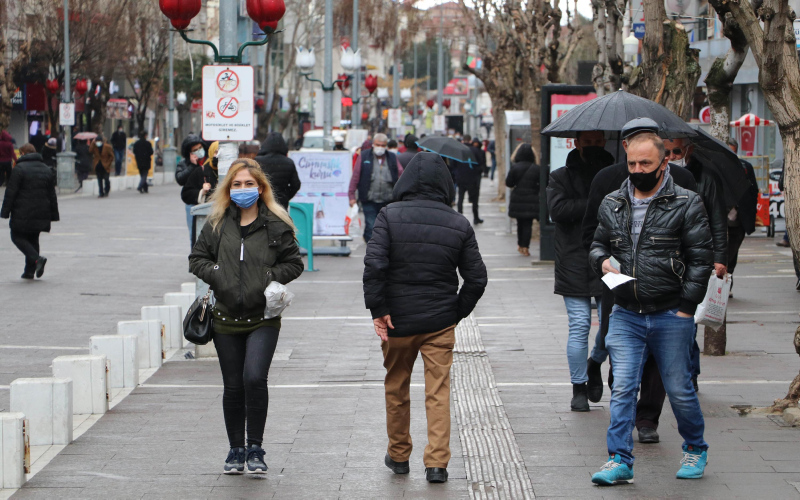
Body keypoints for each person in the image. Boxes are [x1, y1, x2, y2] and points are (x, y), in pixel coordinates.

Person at [589, 130, 713, 486]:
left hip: (671, 311)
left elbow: (701, 259)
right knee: (624, 386)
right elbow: (597, 242)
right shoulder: (613, 202)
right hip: (626, 311)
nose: (638, 169)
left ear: (665, 162)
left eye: (646, 162)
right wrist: (602, 262)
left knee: (679, 387)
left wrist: (687, 307)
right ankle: (619, 459)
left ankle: (695, 447)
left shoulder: (687, 203)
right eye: (632, 163)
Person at [363, 152, 487, 484]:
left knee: (396, 386)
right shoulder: (458, 222)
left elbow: (374, 265)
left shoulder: (388, 215)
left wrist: (378, 310)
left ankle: (399, 455)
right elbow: (477, 278)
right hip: (439, 323)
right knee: (438, 391)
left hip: (396, 322)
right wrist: (453, 314)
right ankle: (437, 463)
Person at [188, 158, 304, 475]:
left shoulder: (276, 224)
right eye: (237, 184)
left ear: (261, 188)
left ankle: (256, 448)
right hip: (225, 319)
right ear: (229, 189)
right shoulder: (216, 224)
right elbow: (196, 259)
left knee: (254, 377)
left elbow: (295, 264)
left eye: (249, 184)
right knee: (233, 386)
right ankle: (235, 450)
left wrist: (269, 274)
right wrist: (217, 274)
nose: (243, 190)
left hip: (263, 318)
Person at [546, 130, 614, 411]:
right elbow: (557, 210)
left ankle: (595, 361)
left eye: (598, 142)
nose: (594, 147)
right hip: (573, 258)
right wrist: (595, 203)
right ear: (576, 143)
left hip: (609, 258)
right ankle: (579, 387)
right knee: (579, 325)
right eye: (588, 142)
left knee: (610, 327)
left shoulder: (616, 175)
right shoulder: (560, 176)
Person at [1, 143, 59, 279]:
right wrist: (54, 214)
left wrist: (5, 212)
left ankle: (37, 259)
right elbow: (52, 194)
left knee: (16, 236)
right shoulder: (46, 169)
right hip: (42, 212)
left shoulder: (19, 169)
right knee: (33, 238)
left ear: (23, 154)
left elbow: (11, 192)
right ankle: (29, 271)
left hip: (23, 211)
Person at [348, 133, 403, 242]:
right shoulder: (364, 156)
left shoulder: (392, 157)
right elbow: (355, 176)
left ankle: (379, 243)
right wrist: (351, 195)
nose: (380, 147)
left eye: (383, 145)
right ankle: (372, 245)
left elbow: (401, 175)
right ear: (373, 144)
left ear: (386, 146)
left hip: (387, 199)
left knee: (385, 225)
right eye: (378, 145)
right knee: (371, 224)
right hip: (369, 198)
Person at [725, 138, 759, 296]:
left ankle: (727, 284)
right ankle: (719, 285)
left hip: (739, 219)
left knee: (732, 254)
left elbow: (753, 192)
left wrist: (751, 215)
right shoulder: (716, 167)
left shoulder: (746, 167)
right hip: (720, 219)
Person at [506, 143, 540, 256]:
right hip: (532, 199)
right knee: (527, 224)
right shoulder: (536, 168)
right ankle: (525, 246)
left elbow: (508, 183)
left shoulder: (515, 167)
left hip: (518, 199)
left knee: (520, 223)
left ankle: (520, 245)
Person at [254, 132, 301, 209]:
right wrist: (286, 196)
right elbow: (296, 185)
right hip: (281, 203)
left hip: (262, 201)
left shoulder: (258, 161)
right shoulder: (288, 162)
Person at [176, 134, 207, 237]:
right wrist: (192, 166)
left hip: (207, 201)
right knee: (193, 234)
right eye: (195, 150)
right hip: (192, 202)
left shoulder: (209, 161)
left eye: (200, 148)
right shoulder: (184, 163)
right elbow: (180, 179)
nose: (199, 151)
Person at [453, 153, 483, 225]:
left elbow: (453, 166)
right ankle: (475, 217)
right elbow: (479, 166)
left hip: (461, 179)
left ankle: (459, 216)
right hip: (471, 179)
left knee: (460, 198)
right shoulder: (473, 152)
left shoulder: (457, 154)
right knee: (474, 200)